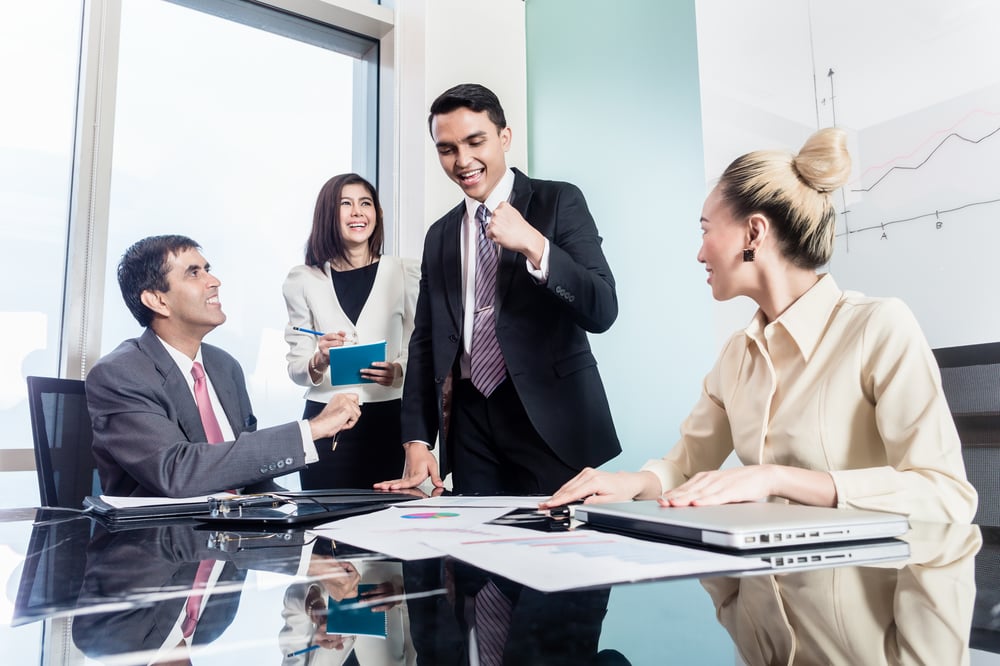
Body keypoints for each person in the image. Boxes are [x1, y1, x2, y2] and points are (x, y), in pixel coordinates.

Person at [542, 128, 977, 523]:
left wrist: (775, 478)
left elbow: (946, 495)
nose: (699, 254)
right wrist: (631, 483)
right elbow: (684, 467)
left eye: (705, 231)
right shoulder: (737, 355)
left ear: (753, 234)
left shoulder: (879, 328)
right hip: (764, 593)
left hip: (871, 586)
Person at [376, 83, 620, 496]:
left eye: (475, 141)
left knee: (555, 553)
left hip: (551, 418)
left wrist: (535, 244)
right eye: (447, 148)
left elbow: (603, 308)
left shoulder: (558, 201)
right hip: (470, 422)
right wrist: (418, 439)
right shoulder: (439, 235)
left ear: (504, 137)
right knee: (475, 552)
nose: (463, 160)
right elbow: (426, 341)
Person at [87, 234, 361, 497]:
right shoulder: (121, 373)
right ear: (158, 300)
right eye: (194, 273)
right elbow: (176, 472)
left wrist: (306, 510)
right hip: (165, 538)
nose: (215, 281)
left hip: (238, 534)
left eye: (208, 269)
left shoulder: (224, 366)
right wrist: (311, 429)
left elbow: (251, 478)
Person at [283, 173, 419, 489]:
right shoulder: (303, 279)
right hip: (325, 418)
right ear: (328, 215)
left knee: (384, 525)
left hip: (389, 419)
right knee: (326, 527)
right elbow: (296, 366)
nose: (357, 212)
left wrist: (399, 370)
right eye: (346, 204)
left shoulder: (404, 272)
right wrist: (318, 359)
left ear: (377, 214)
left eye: (365, 203)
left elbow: (421, 344)